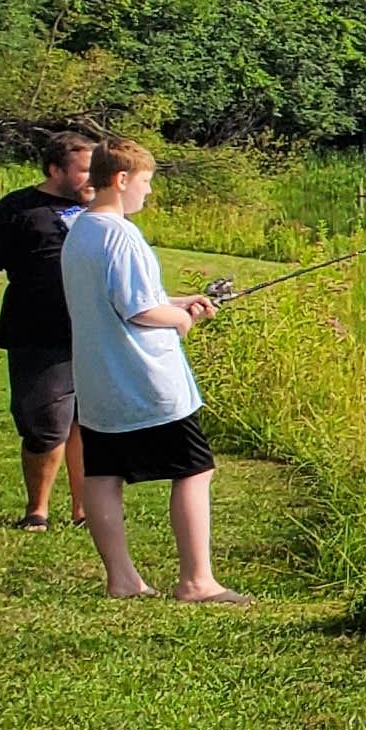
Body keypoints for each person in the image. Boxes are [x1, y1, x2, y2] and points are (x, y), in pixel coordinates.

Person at [56, 137, 245, 606]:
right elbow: (140, 312)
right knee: (196, 470)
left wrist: (176, 301)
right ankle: (196, 582)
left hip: (101, 385)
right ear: (121, 180)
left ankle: (122, 580)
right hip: (145, 384)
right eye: (145, 182)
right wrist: (183, 318)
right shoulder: (121, 234)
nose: (148, 192)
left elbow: (119, 297)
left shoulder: (81, 228)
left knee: (103, 476)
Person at [0, 130, 96, 528]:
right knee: (45, 424)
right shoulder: (17, 208)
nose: (94, 178)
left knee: (88, 422)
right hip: (37, 331)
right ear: (55, 169)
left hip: (95, 333)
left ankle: (84, 509)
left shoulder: (103, 210)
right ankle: (37, 508)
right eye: (85, 170)